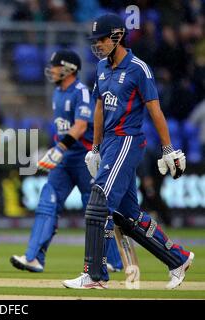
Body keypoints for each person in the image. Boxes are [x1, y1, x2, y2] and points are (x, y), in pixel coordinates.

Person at [63, 13, 194, 290]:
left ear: (118, 36)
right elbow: (99, 108)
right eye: (94, 40)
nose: (97, 45)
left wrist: (168, 148)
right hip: (109, 143)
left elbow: (155, 109)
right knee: (129, 217)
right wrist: (95, 148)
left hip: (127, 141)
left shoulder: (138, 68)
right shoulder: (100, 67)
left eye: (101, 40)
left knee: (99, 202)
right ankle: (178, 259)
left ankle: (95, 275)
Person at [10, 49, 123, 273]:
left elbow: (81, 126)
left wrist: (59, 148)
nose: (51, 70)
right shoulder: (57, 93)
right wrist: (58, 148)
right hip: (64, 159)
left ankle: (112, 260)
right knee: (47, 202)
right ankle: (33, 257)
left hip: (85, 159)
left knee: (96, 210)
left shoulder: (80, 92)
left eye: (55, 66)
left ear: (68, 69)